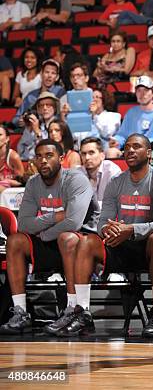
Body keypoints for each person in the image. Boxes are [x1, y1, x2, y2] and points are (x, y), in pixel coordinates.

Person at [54, 133, 153, 338]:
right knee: (86, 242)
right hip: (123, 245)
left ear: (148, 153)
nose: (130, 150)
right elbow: (102, 221)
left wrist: (131, 230)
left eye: (136, 146)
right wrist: (108, 230)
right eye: (127, 147)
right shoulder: (116, 181)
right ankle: (83, 312)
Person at [0, 139, 96, 336]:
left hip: (83, 248)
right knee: (15, 241)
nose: (43, 160)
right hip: (52, 243)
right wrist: (55, 216)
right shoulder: (34, 183)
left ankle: (73, 310)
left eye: (49, 156)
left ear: (61, 159)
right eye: (39, 156)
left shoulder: (76, 179)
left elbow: (73, 223)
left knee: (67, 237)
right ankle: (21, 313)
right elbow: (24, 224)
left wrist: (44, 233)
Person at [108, 76, 153, 154]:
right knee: (111, 152)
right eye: (139, 91)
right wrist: (116, 141)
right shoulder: (131, 112)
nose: (142, 94)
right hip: (132, 151)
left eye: (146, 90)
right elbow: (122, 135)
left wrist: (141, 144)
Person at [13, 59, 64, 128]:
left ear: (57, 77)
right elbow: (15, 119)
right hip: (31, 131)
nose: (49, 76)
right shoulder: (31, 95)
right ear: (41, 74)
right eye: (47, 72)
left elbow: (62, 117)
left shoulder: (60, 93)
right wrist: (21, 121)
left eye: (53, 73)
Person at [17, 92, 60, 161]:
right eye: (41, 105)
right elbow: (20, 150)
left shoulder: (59, 125)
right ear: (38, 109)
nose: (45, 108)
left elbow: (52, 149)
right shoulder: (34, 125)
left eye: (48, 105)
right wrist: (29, 129)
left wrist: (37, 132)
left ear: (55, 108)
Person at [79, 136, 121, 202]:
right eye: (83, 154)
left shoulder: (112, 170)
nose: (87, 157)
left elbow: (115, 203)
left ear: (102, 155)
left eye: (91, 153)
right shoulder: (78, 174)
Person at [0, 125, 24, 194]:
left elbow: (21, 182)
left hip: (12, 195)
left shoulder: (13, 157)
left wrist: (7, 182)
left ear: (7, 139)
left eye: (0, 135)